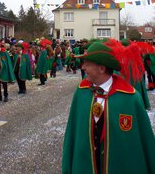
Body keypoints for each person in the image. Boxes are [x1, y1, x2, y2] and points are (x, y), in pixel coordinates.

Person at [62, 39, 155, 174]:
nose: (83, 68)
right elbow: (72, 134)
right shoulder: (81, 93)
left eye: (87, 64)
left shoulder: (130, 98)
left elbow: (145, 143)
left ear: (102, 68)